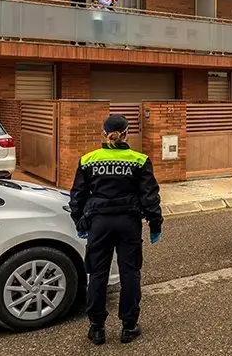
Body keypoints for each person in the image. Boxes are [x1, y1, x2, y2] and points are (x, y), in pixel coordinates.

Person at [69, 114, 163, 346]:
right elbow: (149, 196)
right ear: (126, 134)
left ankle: (97, 328)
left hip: (99, 223)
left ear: (104, 133)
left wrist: (79, 221)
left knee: (98, 274)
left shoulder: (88, 160)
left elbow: (77, 196)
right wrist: (155, 224)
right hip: (128, 223)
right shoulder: (139, 160)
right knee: (129, 273)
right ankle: (129, 327)